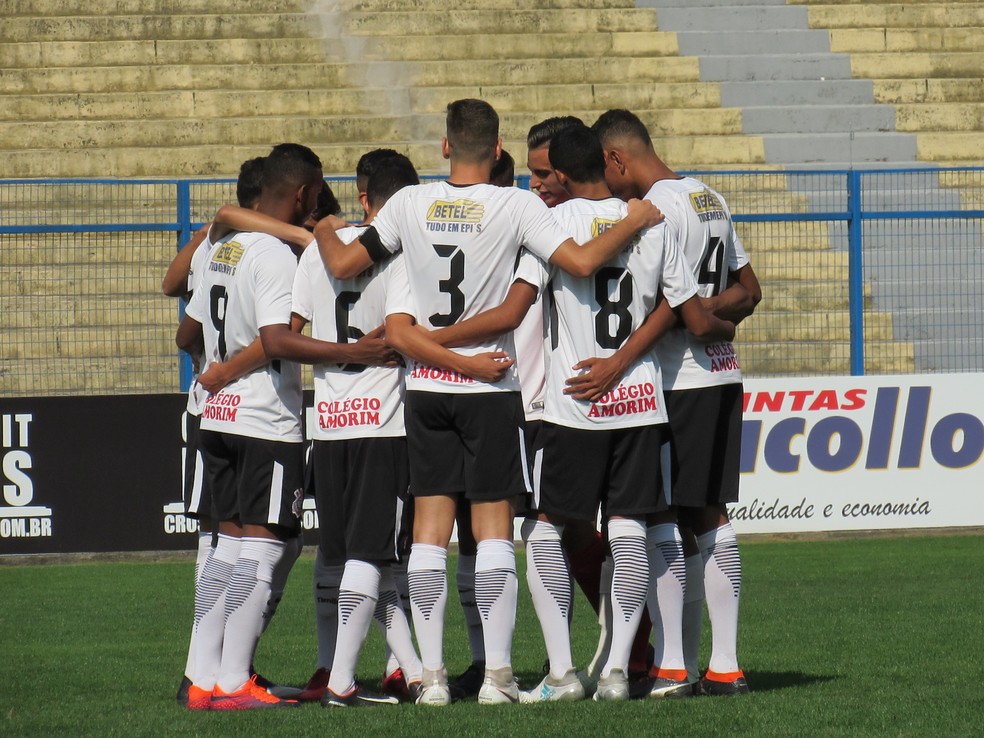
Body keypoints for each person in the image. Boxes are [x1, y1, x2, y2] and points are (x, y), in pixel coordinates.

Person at [313, 98, 664, 706]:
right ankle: (498, 678)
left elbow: (344, 262)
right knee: (495, 530)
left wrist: (319, 225)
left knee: (428, 535)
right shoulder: (518, 204)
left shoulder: (408, 205)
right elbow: (579, 261)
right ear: (498, 150)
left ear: (445, 146)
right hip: (492, 387)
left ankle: (435, 680)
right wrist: (634, 221)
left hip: (426, 392)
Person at [517, 124, 735, 702]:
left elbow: (524, 300)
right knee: (630, 526)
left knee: (543, 529)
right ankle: (616, 670)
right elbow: (680, 306)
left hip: (573, 403)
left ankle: (563, 673)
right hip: (640, 401)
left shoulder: (549, 224)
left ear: (561, 174)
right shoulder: (650, 219)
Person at [590, 109, 762, 696]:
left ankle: (671, 667)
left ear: (617, 158)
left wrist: (698, 322)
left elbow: (674, 310)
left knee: (663, 518)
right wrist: (719, 319)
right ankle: (725, 665)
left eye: (604, 168)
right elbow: (750, 289)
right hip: (721, 375)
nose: (606, 183)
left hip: (676, 383)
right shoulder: (708, 194)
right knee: (711, 517)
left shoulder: (656, 208)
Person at [175, 144, 328, 710]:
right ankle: (235, 679)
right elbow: (275, 340)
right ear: (302, 193)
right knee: (263, 549)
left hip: (214, 419)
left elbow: (185, 333)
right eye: (314, 192)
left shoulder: (222, 246)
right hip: (262, 419)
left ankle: (206, 679)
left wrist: (210, 372)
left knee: (225, 548)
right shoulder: (275, 255)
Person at [288, 154, 424, 707]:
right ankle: (342, 682)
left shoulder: (318, 255)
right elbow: (404, 335)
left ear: (362, 195)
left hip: (331, 426)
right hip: (383, 425)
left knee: (361, 558)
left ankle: (414, 672)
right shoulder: (401, 256)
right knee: (374, 557)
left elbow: (292, 330)